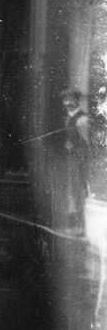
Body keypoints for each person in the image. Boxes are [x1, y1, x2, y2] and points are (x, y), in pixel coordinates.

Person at [62, 88, 92, 232]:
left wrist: (74, 148)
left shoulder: (82, 119)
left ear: (77, 101)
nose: (67, 103)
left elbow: (87, 143)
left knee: (78, 189)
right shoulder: (69, 118)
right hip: (71, 160)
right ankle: (73, 224)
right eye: (65, 100)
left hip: (79, 159)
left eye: (70, 99)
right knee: (71, 189)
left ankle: (80, 226)